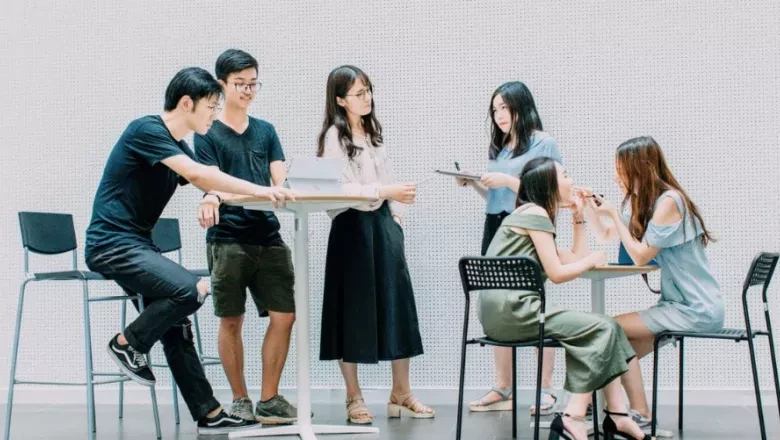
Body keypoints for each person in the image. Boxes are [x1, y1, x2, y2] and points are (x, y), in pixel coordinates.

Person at [85, 66, 294, 435]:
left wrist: (242, 192)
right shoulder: (146, 130)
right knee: (190, 289)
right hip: (111, 243)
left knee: (177, 326)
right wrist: (261, 190)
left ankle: (209, 413)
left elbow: (211, 180)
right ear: (187, 103)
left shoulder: (177, 146)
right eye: (211, 107)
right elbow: (200, 175)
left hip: (137, 244)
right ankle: (126, 343)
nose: (215, 115)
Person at [479, 156, 654, 440]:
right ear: (549, 183)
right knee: (604, 327)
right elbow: (560, 273)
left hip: (501, 314)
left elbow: (576, 259)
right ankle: (574, 416)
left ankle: (617, 415)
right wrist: (596, 258)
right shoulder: (534, 213)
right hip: (516, 312)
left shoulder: (529, 215)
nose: (571, 181)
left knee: (607, 328)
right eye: (566, 175)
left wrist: (579, 218)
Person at [316, 65, 434, 424]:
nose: (366, 98)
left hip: (383, 225)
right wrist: (385, 193)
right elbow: (339, 191)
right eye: (358, 93)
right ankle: (354, 397)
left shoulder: (372, 131)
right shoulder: (333, 137)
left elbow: (389, 179)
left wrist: (396, 217)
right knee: (351, 310)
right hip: (351, 229)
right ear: (340, 100)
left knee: (397, 305)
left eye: (368, 90)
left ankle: (401, 392)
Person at [584, 136, 724, 436]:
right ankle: (629, 413)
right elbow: (608, 235)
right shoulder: (645, 202)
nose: (616, 175)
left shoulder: (670, 202)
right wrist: (591, 209)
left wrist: (612, 213)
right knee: (618, 346)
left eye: (620, 168)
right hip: (677, 305)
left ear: (639, 167)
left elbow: (640, 253)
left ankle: (631, 413)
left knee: (609, 328)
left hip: (695, 308)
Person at [194, 49, 298, 424]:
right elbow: (209, 180)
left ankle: (269, 397)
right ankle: (240, 399)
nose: (248, 91)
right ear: (221, 84)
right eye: (240, 84)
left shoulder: (266, 131)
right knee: (231, 319)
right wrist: (213, 195)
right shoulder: (207, 133)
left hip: (268, 235)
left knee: (285, 315)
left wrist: (283, 187)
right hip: (227, 239)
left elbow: (279, 178)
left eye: (253, 83)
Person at [457, 81, 561, 415]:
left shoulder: (544, 143)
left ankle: (545, 390)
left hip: (529, 226)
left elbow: (548, 191)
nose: (499, 115)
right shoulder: (501, 149)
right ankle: (503, 387)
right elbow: (496, 198)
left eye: (505, 107)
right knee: (496, 303)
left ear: (522, 106)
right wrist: (475, 183)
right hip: (497, 226)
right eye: (495, 109)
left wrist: (507, 181)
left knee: (532, 303)